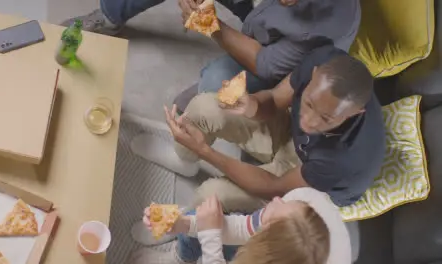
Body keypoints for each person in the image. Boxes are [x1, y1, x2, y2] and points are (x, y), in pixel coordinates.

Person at [133, 45, 386, 214]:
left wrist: (206, 152)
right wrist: (250, 104)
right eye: (308, 103)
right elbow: (276, 100)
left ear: (355, 114)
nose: (309, 121)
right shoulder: (323, 61)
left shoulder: (345, 160)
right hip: (290, 137)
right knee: (203, 109)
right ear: (314, 74)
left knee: (210, 197)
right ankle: (185, 161)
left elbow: (274, 186)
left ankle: (178, 232)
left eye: (326, 119)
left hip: (311, 181)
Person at [61, 0, 361, 111]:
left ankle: (196, 102)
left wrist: (210, 25)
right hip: (258, 11)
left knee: (216, 83)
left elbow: (266, 64)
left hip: (273, 50)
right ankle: (108, 15)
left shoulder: (329, 25)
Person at [131, 188, 352, 264]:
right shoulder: (306, 201)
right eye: (283, 202)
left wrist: (210, 240)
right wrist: (183, 224)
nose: (275, 199)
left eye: (269, 219)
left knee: (210, 232)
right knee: (200, 219)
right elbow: (243, 227)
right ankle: (181, 258)